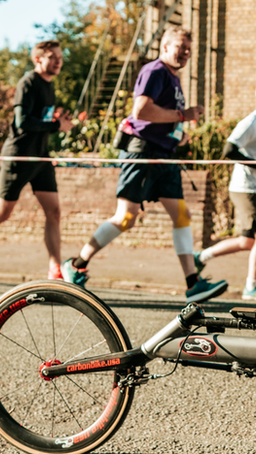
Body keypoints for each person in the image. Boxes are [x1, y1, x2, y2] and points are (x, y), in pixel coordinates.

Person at [60, 26, 227, 303]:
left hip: (165, 156)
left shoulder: (174, 78)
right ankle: (76, 264)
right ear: (164, 47)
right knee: (126, 217)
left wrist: (179, 134)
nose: (185, 53)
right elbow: (141, 110)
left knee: (182, 216)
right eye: (180, 47)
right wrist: (183, 114)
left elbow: (163, 117)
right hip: (143, 154)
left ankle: (192, 284)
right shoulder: (154, 71)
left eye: (188, 49)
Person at [0, 40, 73, 286]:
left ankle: (55, 269)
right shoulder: (28, 82)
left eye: (60, 57)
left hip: (40, 158)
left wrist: (57, 123)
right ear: (38, 59)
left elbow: (39, 121)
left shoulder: (49, 87)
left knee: (54, 211)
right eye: (53, 57)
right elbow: (21, 123)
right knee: (2, 212)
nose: (58, 61)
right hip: (18, 156)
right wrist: (56, 125)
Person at [193, 83, 256, 301]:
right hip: (246, 188)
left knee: (247, 241)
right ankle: (251, 287)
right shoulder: (250, 123)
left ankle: (200, 257)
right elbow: (229, 150)